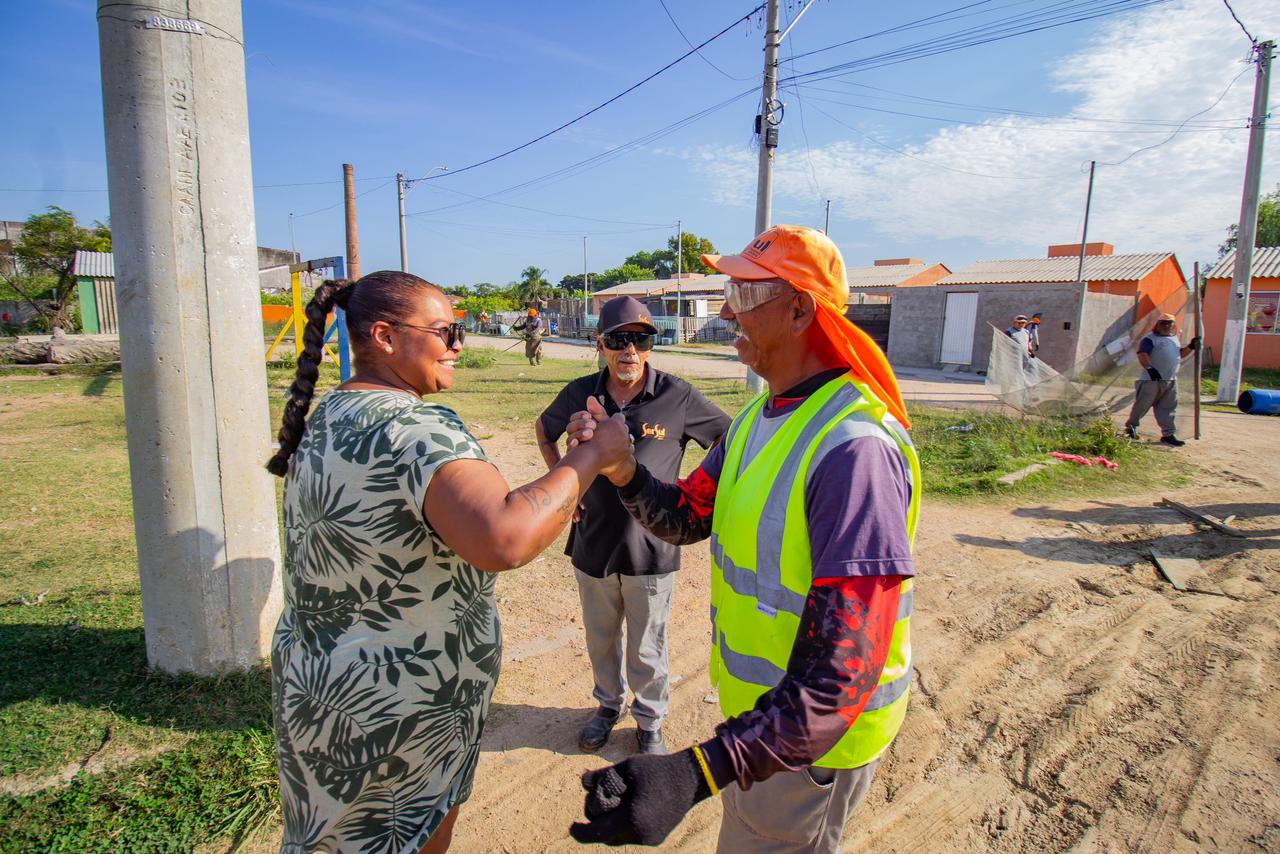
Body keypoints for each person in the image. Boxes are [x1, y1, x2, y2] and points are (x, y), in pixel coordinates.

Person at [565, 225, 920, 851]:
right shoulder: (762, 413)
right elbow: (687, 516)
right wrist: (622, 467)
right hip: (767, 724)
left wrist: (696, 771)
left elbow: (841, 673)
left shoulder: (854, 451)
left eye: (745, 292)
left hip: (814, 744)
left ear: (800, 308)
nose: (727, 309)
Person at [265, 271, 631, 854]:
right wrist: (590, 459)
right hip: (398, 712)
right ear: (384, 337)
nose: (458, 343)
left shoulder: (330, 416)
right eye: (444, 331)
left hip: (321, 690)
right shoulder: (413, 426)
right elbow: (505, 536)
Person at [535, 296, 730, 757]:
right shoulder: (581, 394)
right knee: (601, 637)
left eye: (640, 339)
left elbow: (730, 438)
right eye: (619, 339)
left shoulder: (675, 396)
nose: (630, 351)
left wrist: (690, 494)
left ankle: (649, 719)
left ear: (649, 345)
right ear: (600, 344)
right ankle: (607, 706)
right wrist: (566, 490)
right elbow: (543, 430)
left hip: (652, 546)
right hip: (593, 540)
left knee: (647, 643)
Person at [1124, 312, 1199, 447]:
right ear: (1157, 324)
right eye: (1163, 323)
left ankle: (1168, 434)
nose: (1166, 326)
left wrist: (1191, 347)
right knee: (1141, 406)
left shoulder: (1174, 339)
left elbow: (1180, 355)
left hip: (1170, 380)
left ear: (1173, 325)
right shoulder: (1150, 339)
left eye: (1169, 323)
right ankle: (1131, 428)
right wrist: (1150, 368)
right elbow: (1142, 354)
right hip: (1151, 380)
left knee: (1168, 409)